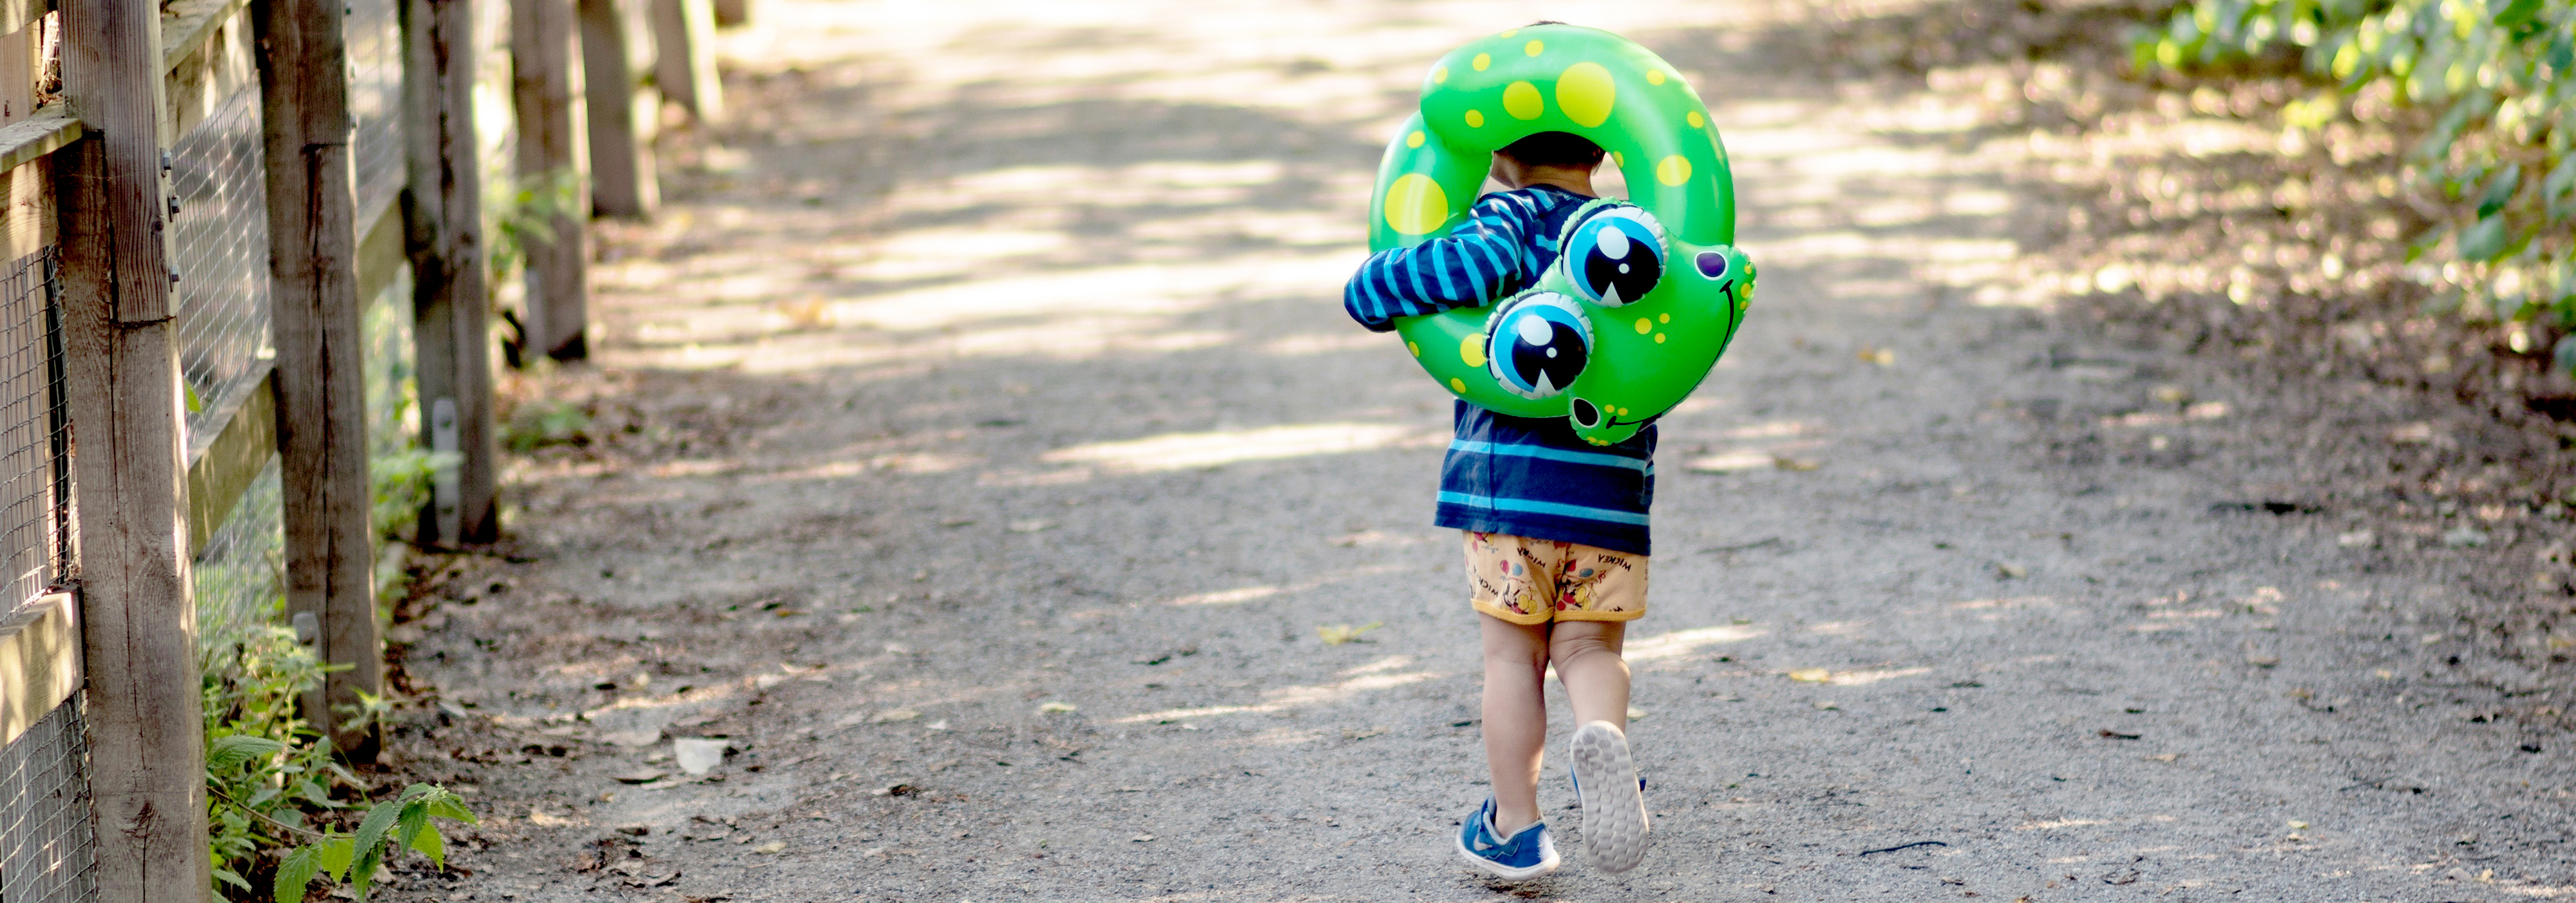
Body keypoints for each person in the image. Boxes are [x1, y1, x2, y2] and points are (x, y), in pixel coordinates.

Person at [1343, 129, 1653, 879]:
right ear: (1603, 154)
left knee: (1513, 656)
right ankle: (1599, 743)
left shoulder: (1504, 221)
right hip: (1610, 493)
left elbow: (1386, 295)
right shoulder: (1634, 239)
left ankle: (1516, 827)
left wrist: (1369, 279)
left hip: (1509, 490)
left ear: (1495, 153)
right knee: (1586, 649)